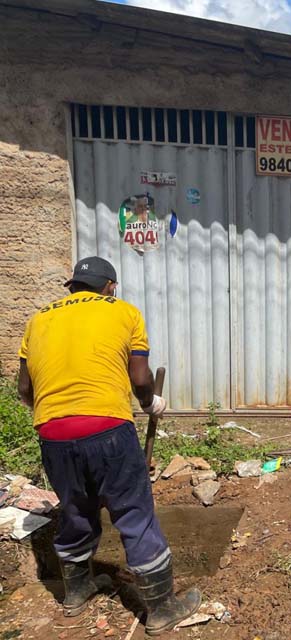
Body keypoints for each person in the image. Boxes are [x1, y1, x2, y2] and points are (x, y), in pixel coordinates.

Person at [17, 257, 200, 634]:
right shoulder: (123, 311)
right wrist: (150, 403)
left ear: (72, 287)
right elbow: (140, 376)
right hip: (107, 428)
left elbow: (24, 390)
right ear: (110, 287)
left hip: (53, 432)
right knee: (134, 514)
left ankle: (77, 591)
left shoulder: (37, 320)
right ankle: (163, 609)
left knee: (76, 509)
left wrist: (62, 417)